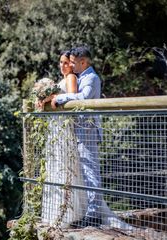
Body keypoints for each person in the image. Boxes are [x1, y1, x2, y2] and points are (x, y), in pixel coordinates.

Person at [50, 46, 132, 229]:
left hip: (88, 130)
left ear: (83, 62)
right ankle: (90, 212)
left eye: (72, 61)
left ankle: (93, 215)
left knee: (91, 172)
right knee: (86, 172)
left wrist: (61, 98)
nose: (70, 65)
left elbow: (84, 97)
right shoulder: (81, 77)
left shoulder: (92, 78)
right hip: (81, 130)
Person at [41, 50, 88, 226]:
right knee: (56, 165)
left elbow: (70, 102)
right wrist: (45, 99)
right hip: (56, 127)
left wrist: (54, 97)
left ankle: (68, 213)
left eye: (66, 63)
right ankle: (58, 210)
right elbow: (58, 98)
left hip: (64, 128)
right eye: (60, 63)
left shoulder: (71, 78)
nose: (63, 66)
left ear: (73, 64)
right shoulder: (63, 79)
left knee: (64, 165)